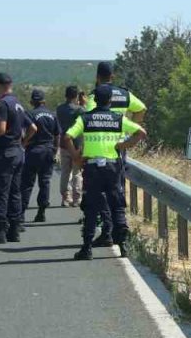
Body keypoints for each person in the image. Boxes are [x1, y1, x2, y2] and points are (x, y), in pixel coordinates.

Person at [63, 84, 147, 260]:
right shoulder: (117, 118)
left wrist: (76, 156)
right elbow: (140, 132)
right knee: (116, 204)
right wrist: (123, 146)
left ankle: (86, 248)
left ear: (95, 100)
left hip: (92, 168)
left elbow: (67, 137)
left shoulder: (85, 118)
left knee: (91, 207)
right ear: (110, 101)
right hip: (112, 166)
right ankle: (123, 246)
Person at [85, 61, 148, 246]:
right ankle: (118, 231)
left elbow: (89, 119)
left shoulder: (94, 96)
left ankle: (107, 232)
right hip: (120, 148)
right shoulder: (125, 94)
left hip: (100, 150)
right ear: (113, 76)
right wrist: (128, 134)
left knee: (100, 193)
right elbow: (142, 109)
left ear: (97, 77)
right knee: (116, 190)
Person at [0, 73, 36, 244]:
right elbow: (33, 128)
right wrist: (23, 143)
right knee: (14, 192)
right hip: (18, 152)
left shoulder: (3, 104)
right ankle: (14, 229)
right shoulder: (18, 103)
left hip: (4, 153)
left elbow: (1, 129)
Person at [20, 88, 61, 222]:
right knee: (45, 182)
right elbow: (57, 134)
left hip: (33, 150)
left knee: (27, 183)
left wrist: (24, 142)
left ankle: (21, 214)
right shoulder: (52, 115)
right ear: (44, 101)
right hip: (48, 150)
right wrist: (55, 149)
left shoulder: (29, 114)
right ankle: (41, 211)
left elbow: (25, 131)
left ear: (32, 101)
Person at [55, 85, 84, 208]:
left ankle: (66, 198)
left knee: (65, 172)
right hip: (76, 144)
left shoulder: (59, 109)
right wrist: (83, 104)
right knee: (76, 172)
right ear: (76, 96)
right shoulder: (79, 110)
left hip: (63, 144)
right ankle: (77, 198)